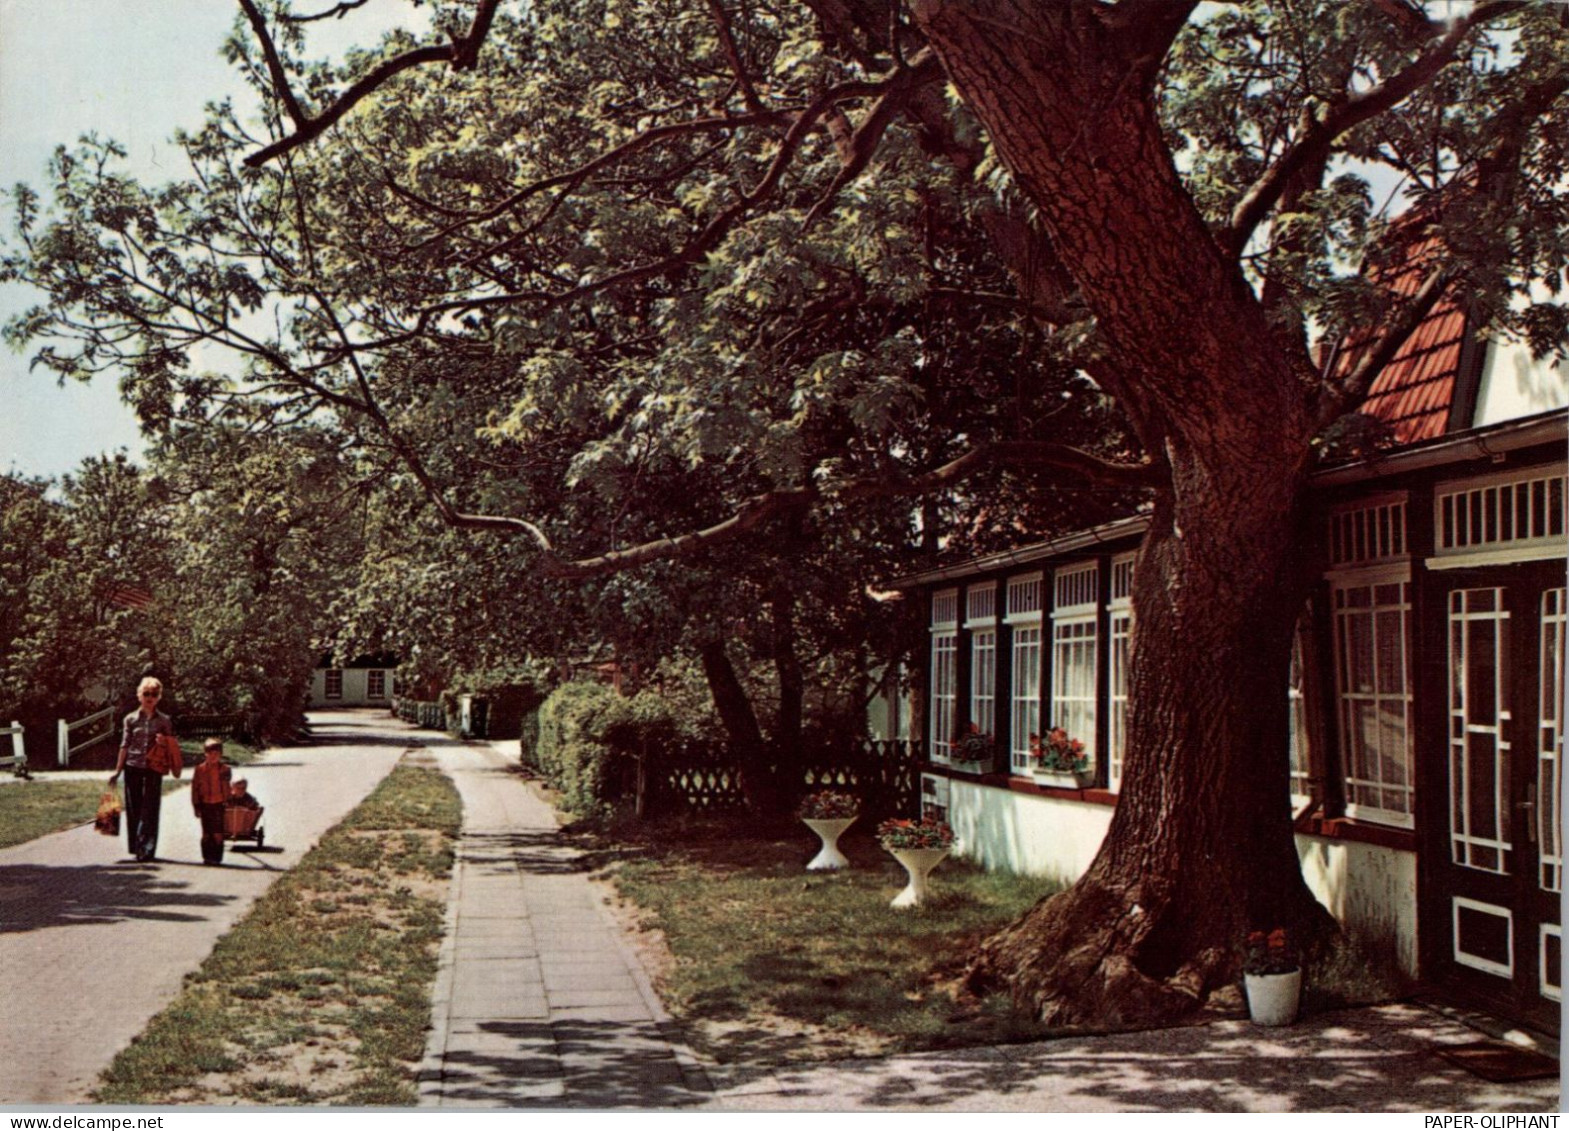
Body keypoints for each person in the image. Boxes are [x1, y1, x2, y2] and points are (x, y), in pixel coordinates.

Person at [108, 677, 181, 862]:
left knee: (150, 808)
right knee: (134, 808)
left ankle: (147, 849)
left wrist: (164, 742)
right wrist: (117, 771)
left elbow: (171, 745)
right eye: (146, 694)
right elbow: (124, 745)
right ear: (139, 695)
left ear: (159, 697)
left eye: (154, 694)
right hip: (133, 766)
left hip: (154, 767)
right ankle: (136, 846)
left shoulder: (164, 720)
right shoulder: (130, 719)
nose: (150, 697)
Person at [190, 738, 232, 866]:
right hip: (205, 805)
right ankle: (207, 857)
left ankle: (217, 858)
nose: (213, 757)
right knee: (206, 833)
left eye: (217, 754)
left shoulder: (224, 769)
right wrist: (196, 805)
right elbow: (195, 789)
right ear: (205, 754)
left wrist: (228, 802)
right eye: (210, 754)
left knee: (218, 834)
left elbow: (226, 787)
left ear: (220, 755)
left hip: (219, 804)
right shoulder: (199, 769)